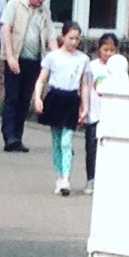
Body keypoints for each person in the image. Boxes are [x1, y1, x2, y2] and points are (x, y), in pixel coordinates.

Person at [33, 21, 94, 196]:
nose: (74, 42)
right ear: (63, 37)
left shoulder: (83, 59)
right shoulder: (53, 57)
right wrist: (38, 98)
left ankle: (66, 177)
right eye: (71, 38)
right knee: (57, 141)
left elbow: (84, 85)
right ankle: (59, 176)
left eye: (77, 39)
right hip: (55, 97)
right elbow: (41, 80)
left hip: (71, 99)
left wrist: (85, 106)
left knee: (66, 141)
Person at [0, 0, 52, 151]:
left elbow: (50, 35)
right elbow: (5, 28)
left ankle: (18, 137)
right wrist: (10, 56)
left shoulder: (44, 11)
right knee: (12, 97)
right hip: (16, 58)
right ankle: (9, 136)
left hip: (34, 60)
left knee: (24, 100)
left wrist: (57, 58)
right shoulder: (15, 3)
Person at [85, 31, 129, 185]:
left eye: (112, 50)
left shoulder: (120, 69)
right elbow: (85, 87)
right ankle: (91, 178)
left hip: (112, 115)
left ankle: (106, 180)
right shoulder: (92, 66)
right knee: (91, 148)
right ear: (99, 49)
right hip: (94, 114)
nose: (108, 54)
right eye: (105, 50)